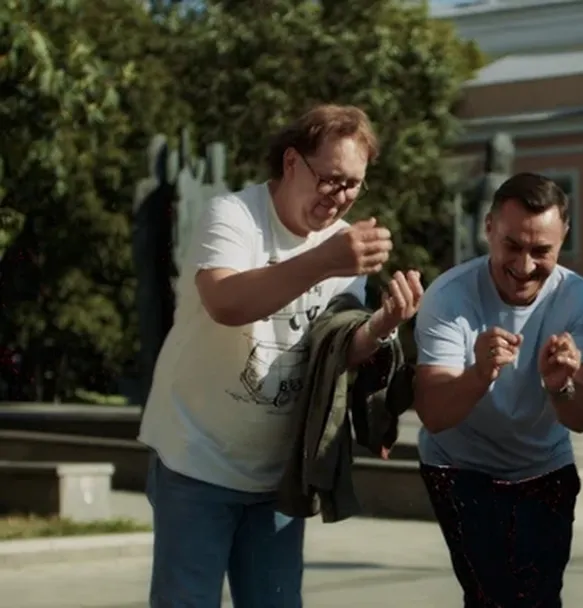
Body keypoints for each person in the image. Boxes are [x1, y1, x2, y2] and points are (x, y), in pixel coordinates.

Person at [138, 104, 425, 607]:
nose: (340, 197)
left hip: (279, 474)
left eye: (353, 185)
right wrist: (324, 260)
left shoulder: (343, 245)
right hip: (196, 457)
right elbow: (226, 303)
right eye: (330, 179)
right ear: (292, 162)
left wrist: (382, 326)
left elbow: (335, 349)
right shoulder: (233, 216)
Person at [412, 171, 583, 607]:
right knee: (492, 597)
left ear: (564, 237)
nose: (524, 266)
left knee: (541, 597)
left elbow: (582, 417)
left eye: (541, 251)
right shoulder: (448, 297)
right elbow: (434, 414)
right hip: (459, 467)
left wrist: (561, 388)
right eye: (512, 246)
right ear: (488, 229)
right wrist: (479, 375)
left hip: (544, 468)